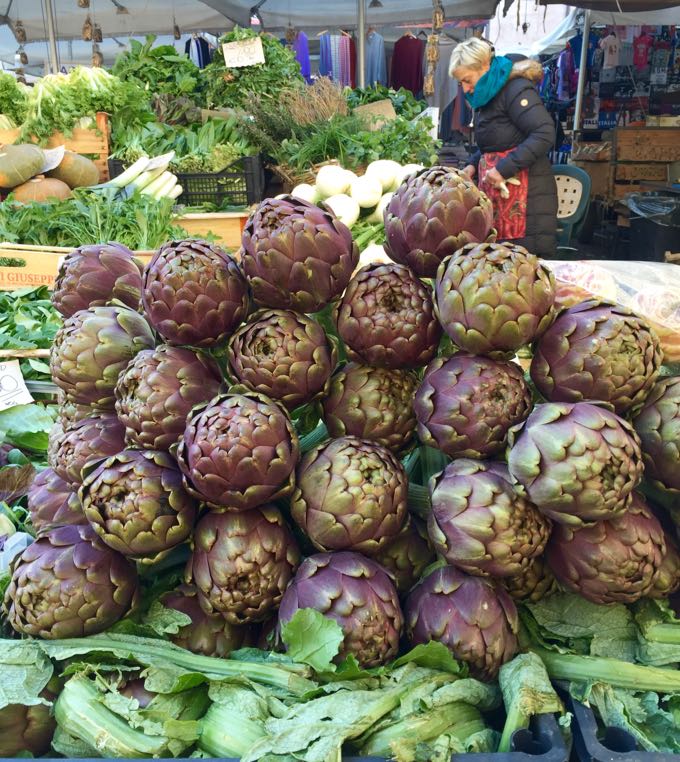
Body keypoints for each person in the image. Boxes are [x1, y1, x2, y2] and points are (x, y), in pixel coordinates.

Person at [449, 38, 558, 257]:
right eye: (461, 83)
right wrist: (472, 164)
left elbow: (545, 132)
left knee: (523, 268)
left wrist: (503, 169)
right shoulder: (486, 96)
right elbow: (495, 143)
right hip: (501, 198)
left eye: (467, 80)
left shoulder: (515, 89)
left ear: (485, 67)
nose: (466, 88)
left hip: (529, 205)